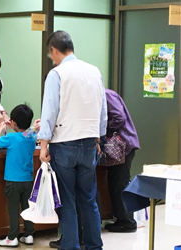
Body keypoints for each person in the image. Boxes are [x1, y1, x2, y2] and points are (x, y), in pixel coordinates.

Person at [38, 31, 107, 250]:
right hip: (89, 144)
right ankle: (95, 246)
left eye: (51, 54)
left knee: (67, 201)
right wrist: (99, 138)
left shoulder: (57, 74)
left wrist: (43, 145)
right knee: (88, 200)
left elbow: (49, 112)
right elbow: (102, 110)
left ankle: (71, 246)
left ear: (54, 50)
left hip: (64, 144)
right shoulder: (94, 71)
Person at [0, 104, 36, 247]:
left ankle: (12, 237)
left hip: (13, 180)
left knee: (13, 209)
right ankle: (28, 234)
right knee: (27, 207)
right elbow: (28, 132)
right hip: (28, 179)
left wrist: (1, 128)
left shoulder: (11, 137)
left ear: (14, 123)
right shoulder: (31, 136)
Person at [104, 89, 140, 233]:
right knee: (115, 183)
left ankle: (127, 222)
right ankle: (121, 219)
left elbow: (119, 117)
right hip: (120, 146)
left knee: (120, 184)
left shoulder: (106, 95)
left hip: (123, 145)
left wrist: (105, 128)